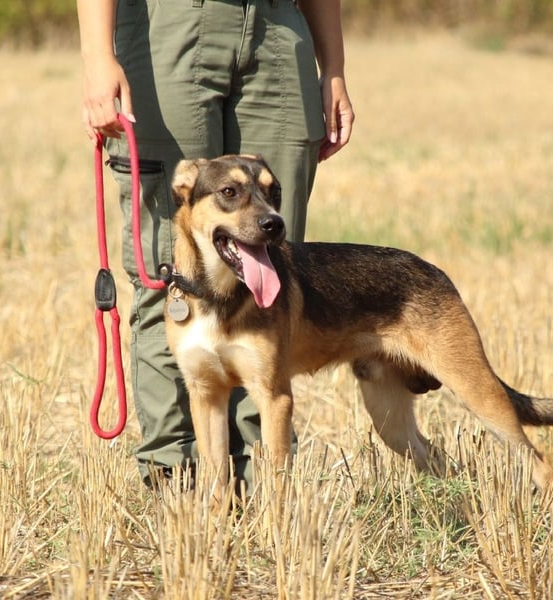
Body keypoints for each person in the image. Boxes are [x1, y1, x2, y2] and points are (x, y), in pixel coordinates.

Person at [77, 0, 354, 489]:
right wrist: (99, 54)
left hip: (279, 30)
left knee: (270, 263)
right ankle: (178, 478)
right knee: (173, 271)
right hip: (172, 27)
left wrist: (332, 66)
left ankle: (257, 484)